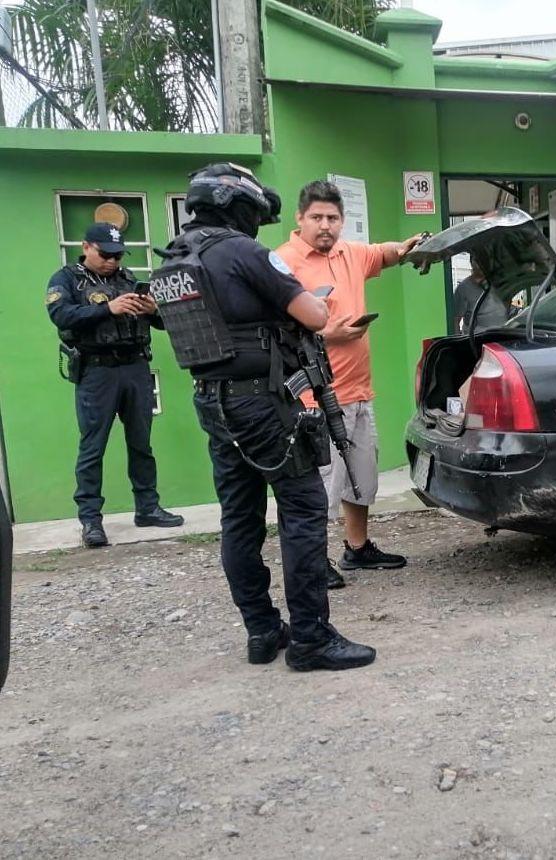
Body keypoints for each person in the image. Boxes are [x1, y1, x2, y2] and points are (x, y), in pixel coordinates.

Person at [154, 162, 375, 671]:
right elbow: (315, 316)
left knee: (240, 518)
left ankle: (261, 631)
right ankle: (311, 640)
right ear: (240, 206)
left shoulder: (175, 258)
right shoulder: (242, 251)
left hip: (213, 402)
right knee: (301, 508)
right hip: (261, 403)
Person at [276, 180, 425, 589]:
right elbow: (275, 334)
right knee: (319, 484)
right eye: (317, 218)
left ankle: (357, 549)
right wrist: (328, 336)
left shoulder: (349, 254)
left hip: (359, 391)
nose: (326, 226)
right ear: (299, 219)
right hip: (312, 396)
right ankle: (312, 560)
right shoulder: (281, 263)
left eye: (333, 218)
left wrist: (410, 245)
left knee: (362, 476)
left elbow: (385, 253)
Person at [46, 222, 184, 547]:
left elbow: (166, 322)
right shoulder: (66, 278)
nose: (112, 261)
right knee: (93, 447)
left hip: (136, 367)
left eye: (117, 255)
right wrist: (106, 308)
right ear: (86, 247)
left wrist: (154, 310)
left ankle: (148, 507)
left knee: (141, 443)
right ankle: (91, 520)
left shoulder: (128, 279)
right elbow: (61, 315)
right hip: (97, 372)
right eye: (105, 254)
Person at [453, 261, 508, 333]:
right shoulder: (463, 288)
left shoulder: (499, 283)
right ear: (472, 263)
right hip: (477, 338)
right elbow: (456, 319)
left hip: (501, 335)